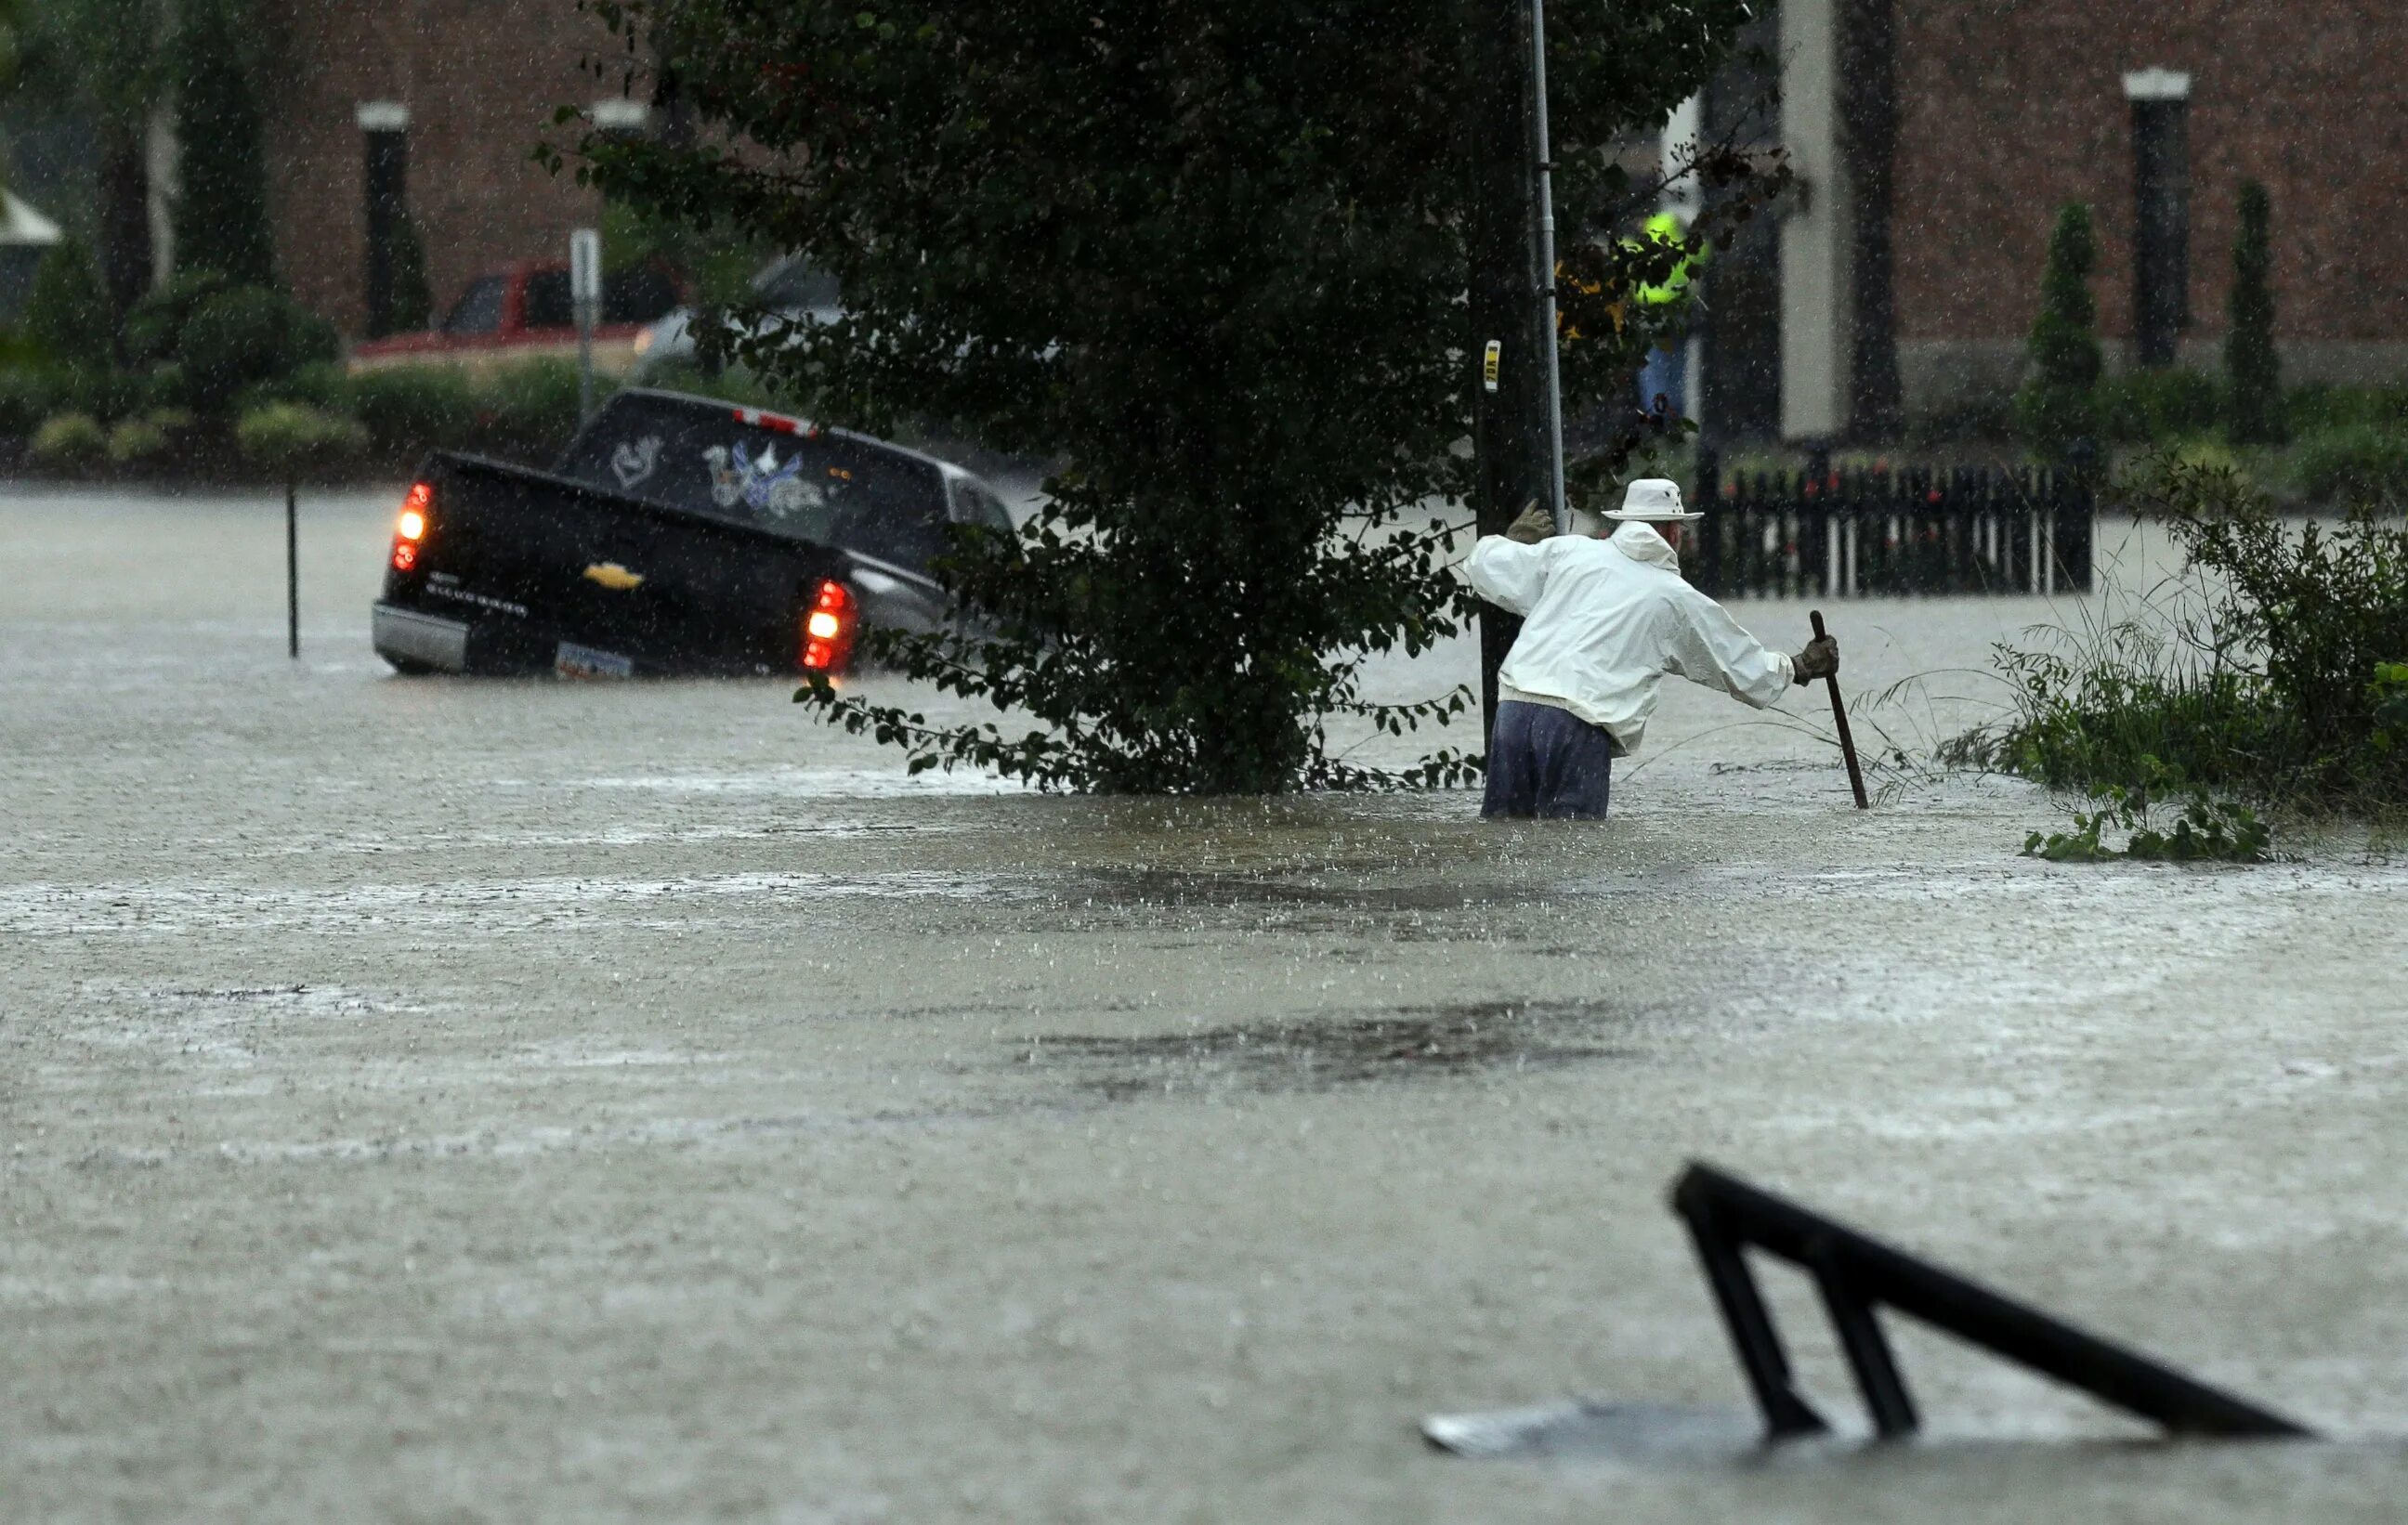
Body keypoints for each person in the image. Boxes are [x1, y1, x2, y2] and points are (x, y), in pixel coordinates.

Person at [1464, 478, 1838, 820]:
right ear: (1673, 531)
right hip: (1578, 724)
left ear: (1626, 522)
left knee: (1503, 839)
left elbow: (1485, 567)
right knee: (1575, 857)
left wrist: (1509, 541)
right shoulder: (1672, 596)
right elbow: (1742, 668)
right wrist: (1801, 666)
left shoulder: (1570, 553)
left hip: (1513, 711)